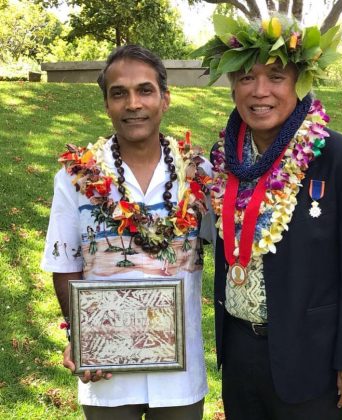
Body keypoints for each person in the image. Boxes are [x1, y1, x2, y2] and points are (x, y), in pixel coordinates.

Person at [194, 14, 342, 420]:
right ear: (232, 86)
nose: (259, 91)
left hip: (311, 361)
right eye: (246, 77)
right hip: (240, 351)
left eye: (276, 77)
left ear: (300, 83)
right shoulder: (224, 159)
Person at [41, 45, 213, 420]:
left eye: (145, 90)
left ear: (165, 99)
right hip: (107, 372)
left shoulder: (200, 174)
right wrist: (82, 338)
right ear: (106, 104)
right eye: (119, 93)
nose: (133, 103)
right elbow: (65, 263)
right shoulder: (75, 179)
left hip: (180, 373)